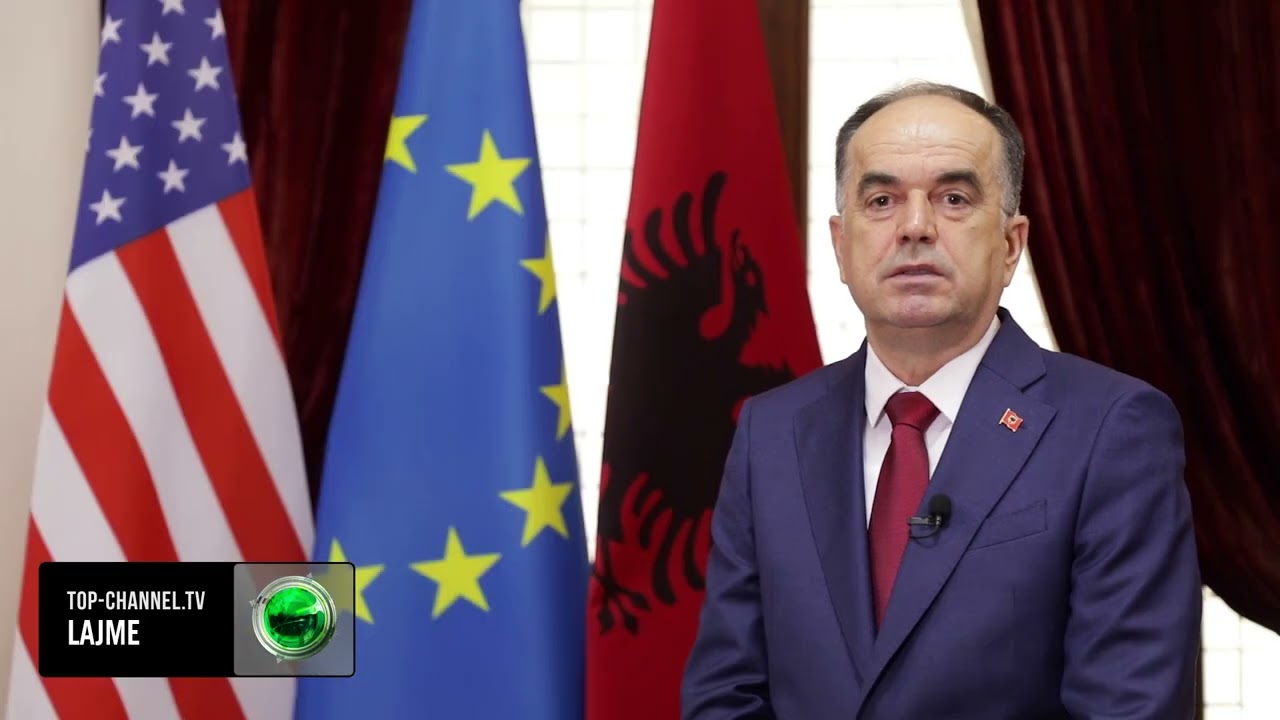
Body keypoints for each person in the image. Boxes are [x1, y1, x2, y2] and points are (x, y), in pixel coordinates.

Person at [680, 81, 1201, 719]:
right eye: (882, 200)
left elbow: (1129, 705)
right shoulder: (773, 430)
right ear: (841, 246)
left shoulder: (1112, 428)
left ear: (1010, 245)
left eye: (954, 199)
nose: (915, 227)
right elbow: (725, 693)